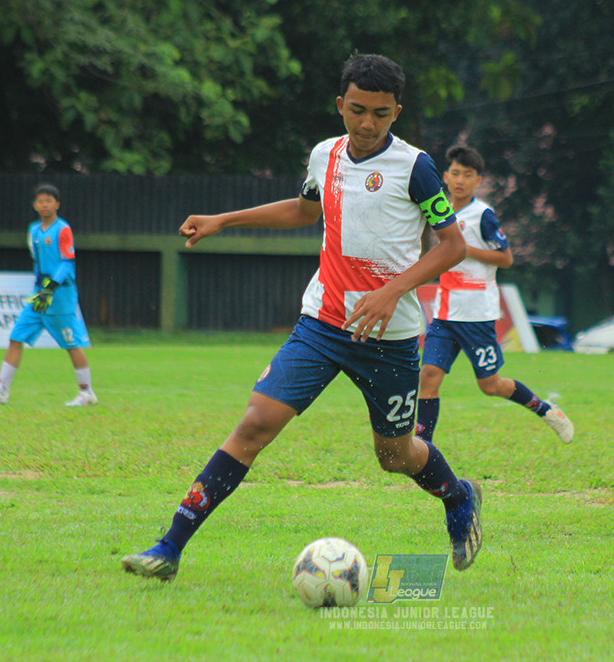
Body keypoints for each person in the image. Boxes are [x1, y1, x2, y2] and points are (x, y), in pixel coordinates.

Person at [120, 53, 482, 583]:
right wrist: (224, 220)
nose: (366, 124)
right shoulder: (325, 156)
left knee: (395, 454)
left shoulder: (417, 167)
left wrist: (392, 291)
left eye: (380, 114)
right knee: (254, 424)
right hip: (322, 323)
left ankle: (458, 494)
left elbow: (451, 247)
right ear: (340, 105)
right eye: (357, 110)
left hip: (391, 335)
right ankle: (169, 548)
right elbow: (304, 210)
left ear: (396, 113)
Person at [414, 145, 574, 445]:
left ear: (478, 180)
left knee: (489, 385)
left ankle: (545, 409)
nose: (460, 180)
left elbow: (506, 258)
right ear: (445, 176)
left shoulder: (482, 214)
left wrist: (461, 248)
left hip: (477, 313)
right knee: (429, 376)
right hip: (446, 312)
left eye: (468, 175)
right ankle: (423, 447)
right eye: (456, 173)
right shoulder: (438, 209)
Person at [0, 184, 97, 407]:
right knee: (16, 337)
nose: (45, 204)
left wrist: (50, 287)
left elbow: (67, 263)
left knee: (71, 344)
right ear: (34, 205)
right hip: (39, 295)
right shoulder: (34, 230)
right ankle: (2, 389)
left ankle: (86, 392)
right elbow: (38, 262)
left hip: (60, 296)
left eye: (49, 200)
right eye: (40, 201)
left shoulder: (63, 229)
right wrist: (40, 288)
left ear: (57, 204)